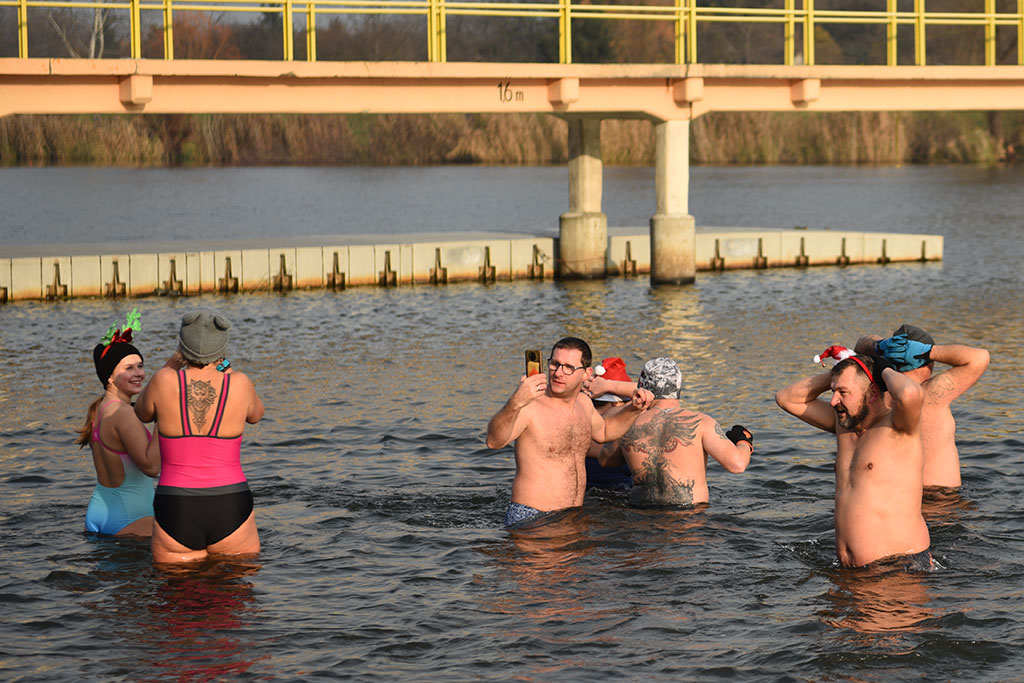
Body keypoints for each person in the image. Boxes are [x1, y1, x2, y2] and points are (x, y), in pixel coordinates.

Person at [775, 349, 931, 569]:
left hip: (898, 569)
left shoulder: (899, 427)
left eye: (843, 392)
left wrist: (881, 368)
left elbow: (910, 394)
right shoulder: (844, 426)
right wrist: (848, 367)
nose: (832, 401)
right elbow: (786, 398)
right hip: (851, 572)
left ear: (872, 394)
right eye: (833, 391)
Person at [135, 309, 265, 563]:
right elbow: (256, 415)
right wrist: (224, 365)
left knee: (176, 595)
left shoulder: (163, 380)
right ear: (222, 347)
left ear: (183, 345)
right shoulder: (240, 383)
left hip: (176, 504)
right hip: (231, 501)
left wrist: (173, 363)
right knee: (236, 594)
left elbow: (141, 411)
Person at [485, 337, 654, 528]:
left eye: (568, 367)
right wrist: (515, 402)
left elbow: (605, 432)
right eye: (555, 364)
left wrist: (634, 408)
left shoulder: (583, 403)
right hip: (533, 517)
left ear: (586, 374)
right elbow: (493, 441)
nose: (558, 373)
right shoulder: (530, 405)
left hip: (572, 515)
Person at [603, 357, 753, 508]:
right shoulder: (701, 422)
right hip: (689, 520)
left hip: (642, 516)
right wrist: (744, 441)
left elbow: (606, 461)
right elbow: (737, 465)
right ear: (678, 386)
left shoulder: (629, 422)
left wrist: (626, 422)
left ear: (642, 385)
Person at [854, 324, 990, 489]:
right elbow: (980, 357)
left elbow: (860, 347)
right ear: (928, 364)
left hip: (894, 499)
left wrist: (881, 345)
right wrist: (929, 351)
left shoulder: (879, 395)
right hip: (941, 502)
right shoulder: (931, 394)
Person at [77, 309, 161, 537]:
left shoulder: (99, 408)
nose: (139, 374)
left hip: (99, 512)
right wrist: (163, 421)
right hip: (130, 516)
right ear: (110, 377)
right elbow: (152, 468)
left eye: (140, 366)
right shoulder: (123, 413)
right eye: (129, 368)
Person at [586, 357, 636, 492]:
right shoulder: (627, 433)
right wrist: (609, 385)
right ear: (617, 404)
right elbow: (656, 395)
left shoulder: (577, 422)